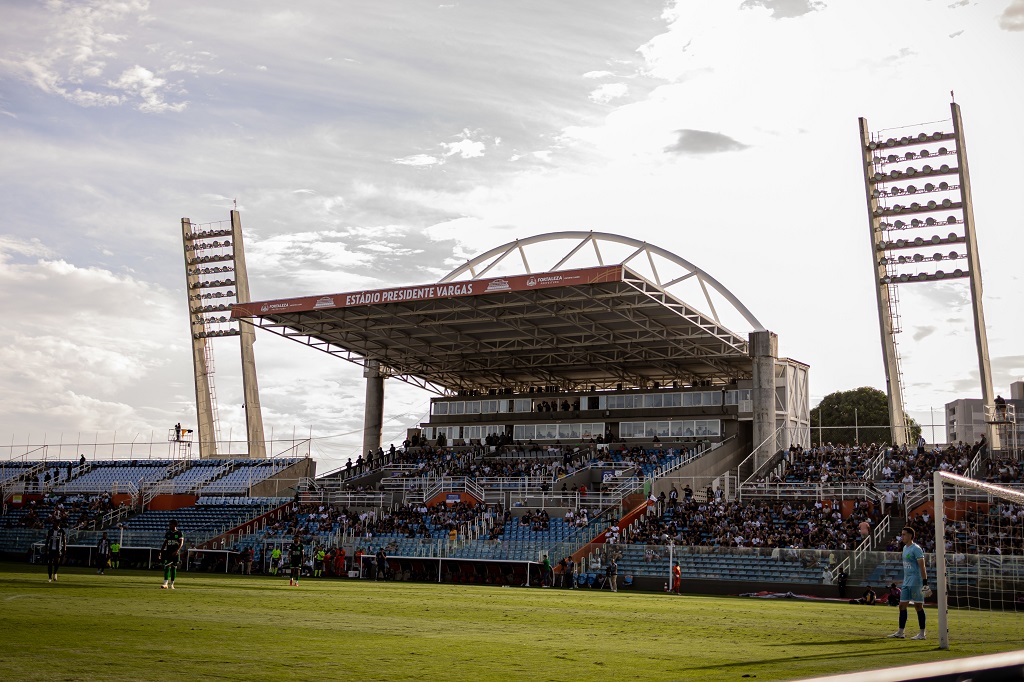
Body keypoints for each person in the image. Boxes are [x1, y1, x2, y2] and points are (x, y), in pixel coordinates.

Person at [888, 526, 929, 640]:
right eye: (902, 534)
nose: (902, 536)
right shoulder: (905, 548)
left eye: (904, 534)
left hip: (916, 581)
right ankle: (900, 632)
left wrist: (925, 582)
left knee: (918, 606)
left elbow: (922, 566)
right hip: (907, 581)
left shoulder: (916, 549)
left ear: (910, 536)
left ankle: (922, 633)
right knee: (902, 605)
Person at [159, 519, 184, 590]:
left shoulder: (179, 533)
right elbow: (165, 543)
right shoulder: (168, 533)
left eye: (171, 524)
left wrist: (177, 551)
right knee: (167, 566)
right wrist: (161, 552)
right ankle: (165, 584)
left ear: (175, 525)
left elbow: (181, 543)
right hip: (168, 552)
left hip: (175, 553)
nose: (169, 525)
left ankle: (172, 584)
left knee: (173, 568)